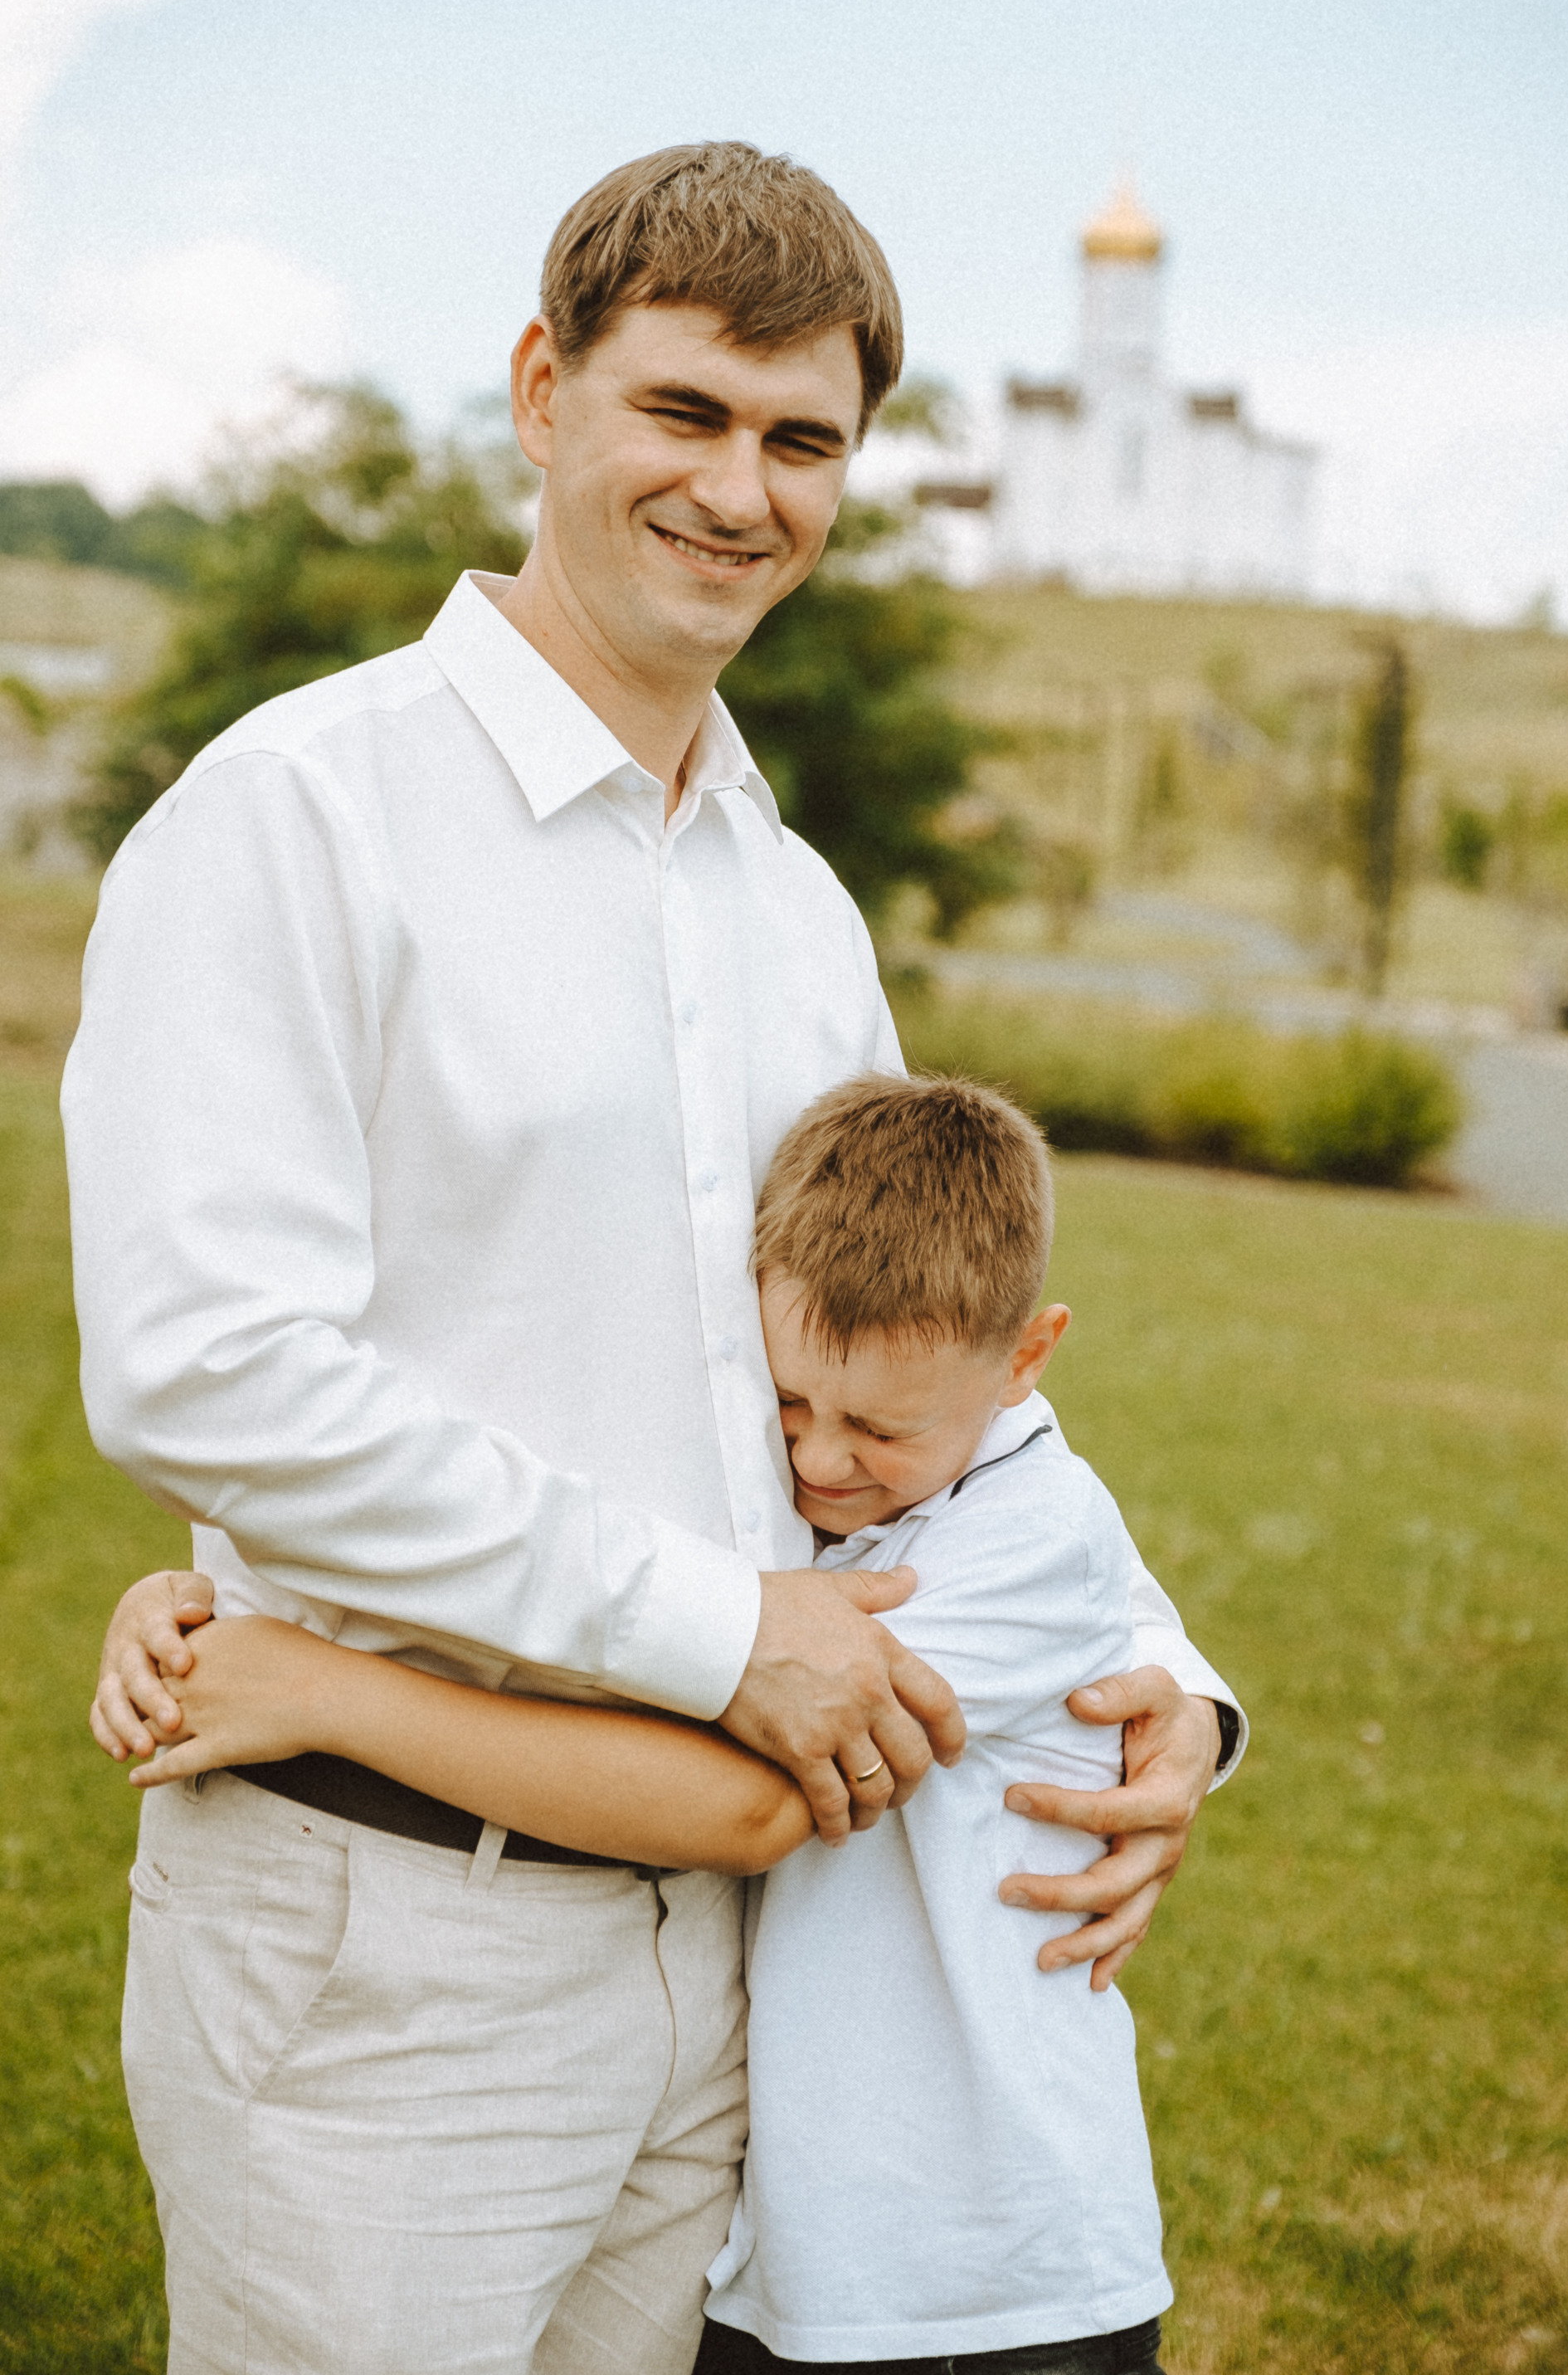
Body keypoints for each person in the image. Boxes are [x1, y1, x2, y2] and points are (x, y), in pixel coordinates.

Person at [71, 141, 1240, 2375]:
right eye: (685, 411)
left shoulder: (793, 912)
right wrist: (724, 1633)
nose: (741, 489)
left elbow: (930, 1369)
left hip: (744, 1956)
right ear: (542, 391)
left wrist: (1164, 1687)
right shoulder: (296, 814)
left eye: (804, 440)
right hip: (384, 1939)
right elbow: (208, 1367)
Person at [123, 1074, 1232, 2373]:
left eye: (879, 1427)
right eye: (790, 1405)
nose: (818, 1461)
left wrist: (320, 1691)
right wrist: (210, 1606)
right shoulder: (865, 1509)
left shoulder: (1020, 1534)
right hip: (811, 2259)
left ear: (1027, 1360)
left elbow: (745, 1803)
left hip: (993, 2278)